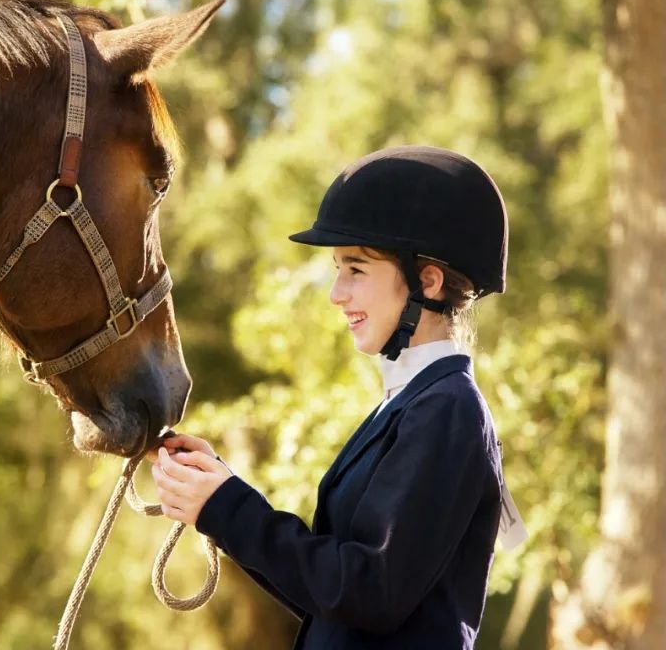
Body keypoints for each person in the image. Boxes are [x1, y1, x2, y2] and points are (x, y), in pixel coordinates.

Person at [151, 146, 522, 649]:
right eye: (338, 270)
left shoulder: (447, 408)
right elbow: (333, 601)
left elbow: (369, 592)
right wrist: (218, 493)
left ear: (428, 282)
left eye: (357, 270)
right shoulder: (410, 402)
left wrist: (228, 507)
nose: (336, 293)